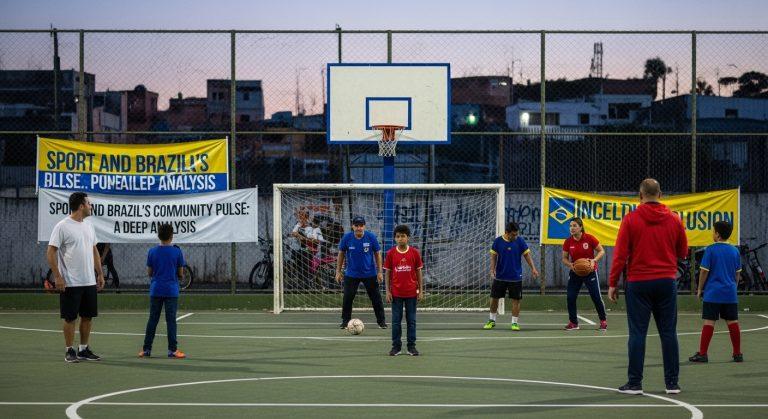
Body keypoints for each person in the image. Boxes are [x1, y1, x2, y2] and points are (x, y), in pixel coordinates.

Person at [608, 178, 688, 395]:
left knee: (637, 334)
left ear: (640, 196)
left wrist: (613, 283)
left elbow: (620, 255)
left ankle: (635, 383)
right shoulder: (674, 219)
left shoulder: (630, 219)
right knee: (668, 333)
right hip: (665, 282)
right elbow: (683, 252)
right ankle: (672, 383)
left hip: (638, 283)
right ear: (660, 194)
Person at [46, 192, 104, 363]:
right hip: (71, 282)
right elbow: (50, 252)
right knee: (70, 317)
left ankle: (83, 349)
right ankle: (69, 350)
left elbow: (94, 251)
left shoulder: (89, 226)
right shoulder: (62, 226)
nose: (91, 206)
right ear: (81, 206)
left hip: (89, 281)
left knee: (87, 316)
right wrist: (57, 276)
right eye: (89, 203)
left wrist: (100, 274)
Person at [689, 221, 743, 363]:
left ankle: (703, 353)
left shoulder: (711, 250)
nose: (713, 233)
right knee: (733, 322)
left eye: (713, 231)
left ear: (717, 234)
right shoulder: (735, 251)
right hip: (730, 293)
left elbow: (703, 272)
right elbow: (737, 274)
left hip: (713, 293)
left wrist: (700, 289)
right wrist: (733, 287)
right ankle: (737, 353)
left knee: (709, 322)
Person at [139, 223, 187, 359]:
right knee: (171, 320)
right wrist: (177, 275)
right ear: (172, 236)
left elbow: (149, 272)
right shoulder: (177, 252)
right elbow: (181, 273)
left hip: (156, 289)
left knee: (152, 320)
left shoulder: (152, 251)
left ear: (158, 236)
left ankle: (146, 349)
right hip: (171, 291)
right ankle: (172, 350)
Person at [483, 222, 540, 331]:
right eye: (513, 235)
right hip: (500, 276)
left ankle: (514, 323)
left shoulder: (520, 241)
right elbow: (493, 257)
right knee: (494, 299)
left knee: (516, 300)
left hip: (515, 277)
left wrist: (533, 268)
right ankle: (491, 320)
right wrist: (492, 269)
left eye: (516, 234)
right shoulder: (498, 241)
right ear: (506, 233)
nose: (515, 236)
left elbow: (527, 255)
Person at [335, 216, 387, 329]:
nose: (359, 228)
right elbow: (341, 254)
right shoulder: (347, 238)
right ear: (353, 226)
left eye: (361, 225)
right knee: (348, 298)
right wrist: (338, 271)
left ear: (364, 226)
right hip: (351, 274)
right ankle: (345, 321)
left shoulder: (371, 237)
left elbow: (377, 254)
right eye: (356, 225)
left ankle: (381, 322)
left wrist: (379, 272)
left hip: (370, 273)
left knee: (376, 298)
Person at [561, 217, 608, 331]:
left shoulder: (589, 238)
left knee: (596, 297)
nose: (572, 228)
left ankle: (603, 321)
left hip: (590, 272)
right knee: (570, 297)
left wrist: (594, 260)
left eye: (574, 226)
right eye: (570, 226)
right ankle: (573, 323)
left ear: (581, 227)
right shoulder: (568, 242)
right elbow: (564, 258)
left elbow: (601, 251)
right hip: (575, 272)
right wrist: (570, 265)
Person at [384, 224, 424, 356]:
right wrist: (388, 291)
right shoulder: (391, 253)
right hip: (396, 293)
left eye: (403, 236)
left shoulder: (414, 253)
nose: (400, 239)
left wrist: (421, 290)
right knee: (396, 321)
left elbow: (418, 273)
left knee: (411, 321)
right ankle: (396, 346)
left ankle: (411, 346)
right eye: (398, 236)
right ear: (395, 238)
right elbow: (388, 273)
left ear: (408, 238)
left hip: (412, 293)